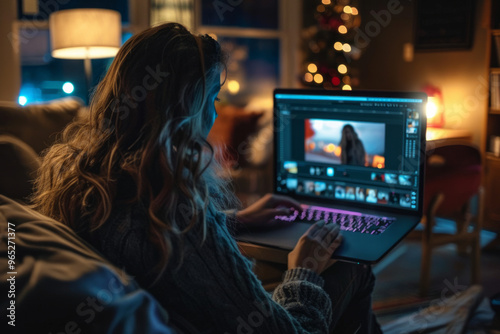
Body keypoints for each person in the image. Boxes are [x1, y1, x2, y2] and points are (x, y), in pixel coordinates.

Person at [32, 23, 381, 333]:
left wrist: (237, 221)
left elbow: (155, 248)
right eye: (212, 97)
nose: (213, 113)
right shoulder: (173, 204)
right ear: (186, 108)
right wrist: (304, 270)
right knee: (353, 267)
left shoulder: (83, 176)